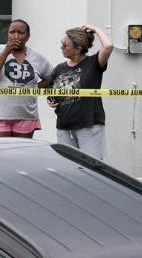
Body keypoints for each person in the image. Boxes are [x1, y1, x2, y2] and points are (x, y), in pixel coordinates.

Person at [48, 25, 114, 160]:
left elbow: (108, 46)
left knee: (92, 168)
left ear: (78, 49)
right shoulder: (59, 69)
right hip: (64, 127)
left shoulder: (93, 63)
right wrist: (51, 100)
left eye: (65, 45)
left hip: (89, 126)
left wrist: (95, 29)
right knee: (68, 168)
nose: (61, 48)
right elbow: (53, 93)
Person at [0, 19, 53, 138]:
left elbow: (52, 77)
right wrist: (6, 52)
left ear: (28, 37)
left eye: (21, 32)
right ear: (8, 34)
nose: (16, 35)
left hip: (26, 116)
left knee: (21, 155)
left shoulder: (37, 57)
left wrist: (33, 88)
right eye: (12, 32)